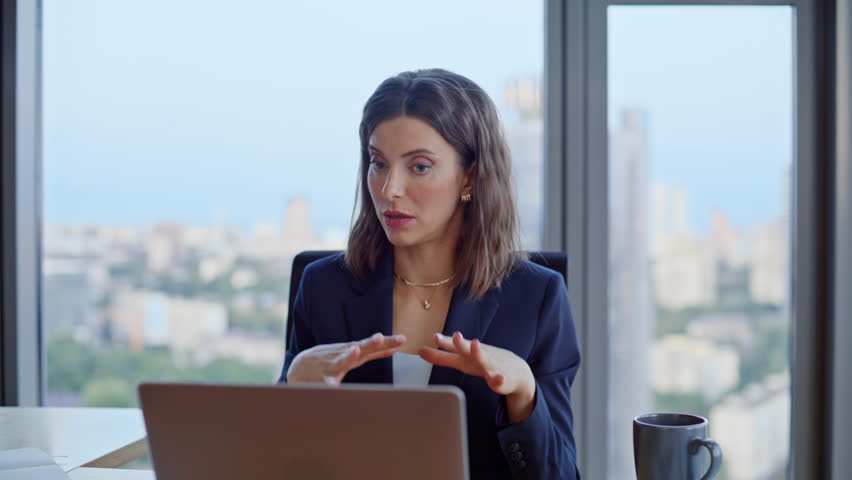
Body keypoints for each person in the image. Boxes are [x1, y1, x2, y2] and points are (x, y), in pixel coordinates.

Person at [278, 68, 581, 480]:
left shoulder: (537, 297)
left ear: (470, 177)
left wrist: (524, 393)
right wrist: (294, 384)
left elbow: (559, 475)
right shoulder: (323, 287)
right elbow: (282, 460)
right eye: (378, 163)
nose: (390, 189)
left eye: (419, 167)